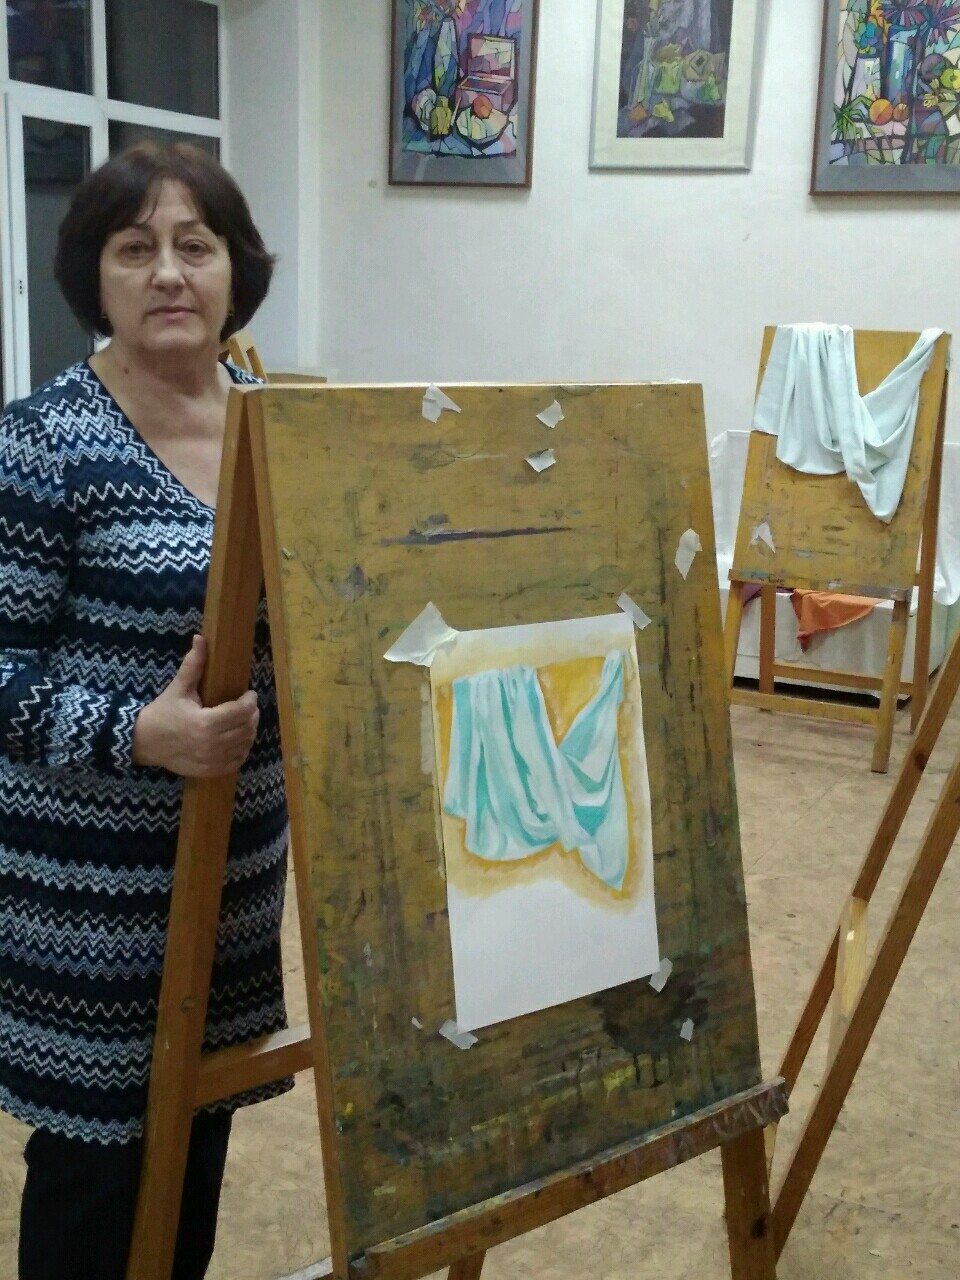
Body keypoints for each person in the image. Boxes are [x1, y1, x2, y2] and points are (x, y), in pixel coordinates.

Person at [0, 143, 290, 1280]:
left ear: (235, 271)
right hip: (92, 904)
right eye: (135, 249)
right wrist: (137, 732)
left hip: (233, 877)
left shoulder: (280, 429)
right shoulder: (43, 443)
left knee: (194, 1151)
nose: (169, 273)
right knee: (97, 1180)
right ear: (95, 276)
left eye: (195, 246)